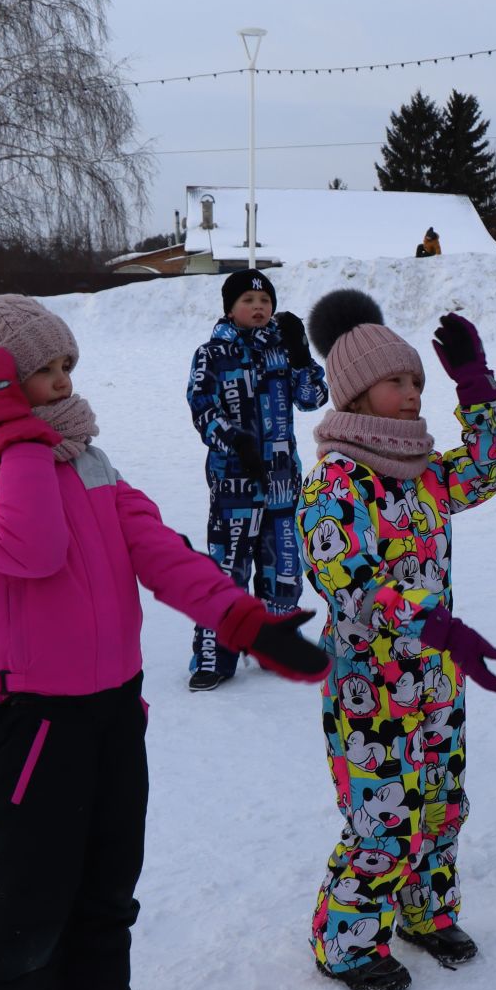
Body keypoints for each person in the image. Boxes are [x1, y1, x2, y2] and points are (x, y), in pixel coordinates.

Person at [0, 295, 330, 990]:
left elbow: (158, 550)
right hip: (30, 714)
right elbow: (29, 550)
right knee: (30, 898)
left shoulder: (86, 456)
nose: (62, 380)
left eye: (68, 364)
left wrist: (245, 623)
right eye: (42, 368)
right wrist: (14, 431)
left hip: (113, 704)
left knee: (108, 881)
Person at [296, 290, 496, 990]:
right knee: (382, 819)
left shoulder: (424, 473)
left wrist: (475, 384)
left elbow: (494, 467)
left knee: (439, 805)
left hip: (437, 681)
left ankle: (425, 912)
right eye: (398, 381)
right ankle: (349, 941)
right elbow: (354, 586)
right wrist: (436, 624)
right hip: (372, 691)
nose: (412, 393)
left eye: (418, 381)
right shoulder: (336, 483)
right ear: (358, 392)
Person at [185, 268, 329, 691]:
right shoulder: (211, 354)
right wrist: (235, 442)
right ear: (230, 308)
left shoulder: (281, 352)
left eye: (265, 300)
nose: (258, 307)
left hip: (283, 479)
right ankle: (215, 655)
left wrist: (302, 356)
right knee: (228, 567)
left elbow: (312, 400)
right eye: (248, 300)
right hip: (235, 481)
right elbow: (202, 408)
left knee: (283, 568)